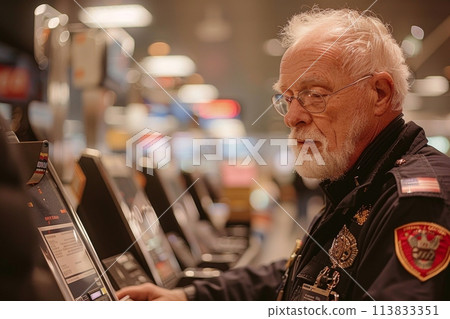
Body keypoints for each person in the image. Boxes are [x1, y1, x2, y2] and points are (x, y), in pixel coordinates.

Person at [117, 7, 450, 301]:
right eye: (287, 98)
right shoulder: (359, 184)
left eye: (314, 95)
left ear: (379, 93)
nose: (292, 117)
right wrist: (189, 296)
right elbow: (305, 273)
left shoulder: (416, 202)